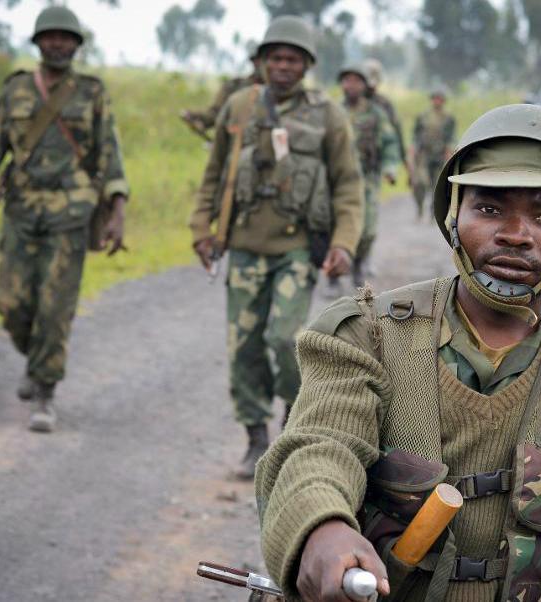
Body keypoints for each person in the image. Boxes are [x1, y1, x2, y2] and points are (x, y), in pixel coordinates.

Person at [256, 104, 541, 601]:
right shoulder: (365, 336)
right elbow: (320, 446)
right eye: (488, 209)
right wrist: (322, 527)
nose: (515, 235)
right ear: (453, 215)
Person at [189, 15, 363, 480]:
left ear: (306, 65)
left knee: (285, 338)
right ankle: (254, 436)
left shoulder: (327, 115)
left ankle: (291, 420)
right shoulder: (238, 107)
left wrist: (344, 244)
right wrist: (200, 228)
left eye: (293, 59)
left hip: (295, 248)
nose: (283, 66)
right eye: (276, 58)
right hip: (244, 246)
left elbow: (348, 186)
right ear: (263, 62)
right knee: (242, 345)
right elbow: (215, 173)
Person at [0, 6, 128, 433]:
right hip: (21, 211)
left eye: (67, 38)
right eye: (51, 37)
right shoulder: (16, 90)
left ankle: (45, 392)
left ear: (77, 45)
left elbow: (110, 152)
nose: (59, 44)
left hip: (71, 212)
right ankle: (36, 358)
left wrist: (117, 209)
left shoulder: (91, 92)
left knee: (55, 306)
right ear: (37, 42)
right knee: (10, 303)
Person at [328, 64, 399, 290]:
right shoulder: (333, 112)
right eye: (347, 80)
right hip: (336, 180)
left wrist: (390, 167)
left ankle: (358, 265)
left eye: (356, 80)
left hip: (366, 180)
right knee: (334, 225)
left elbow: (389, 143)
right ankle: (333, 275)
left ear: (365, 85)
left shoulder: (376, 113)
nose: (351, 85)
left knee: (367, 229)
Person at [180, 46, 263, 139]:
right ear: (254, 62)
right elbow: (216, 115)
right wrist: (196, 117)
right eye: (260, 60)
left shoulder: (278, 92)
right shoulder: (234, 87)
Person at [409, 86, 456, 220]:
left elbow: (452, 136)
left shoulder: (448, 117)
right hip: (424, 154)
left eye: (440, 99)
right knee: (420, 182)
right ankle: (419, 208)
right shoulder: (423, 116)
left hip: (440, 155)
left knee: (437, 186)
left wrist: (449, 148)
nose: (437, 101)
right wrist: (413, 147)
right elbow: (416, 134)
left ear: (443, 100)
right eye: (435, 98)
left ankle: (433, 213)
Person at [363, 58, 409, 176]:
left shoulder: (384, 104)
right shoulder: (350, 102)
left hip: (375, 161)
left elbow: (395, 132)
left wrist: (403, 160)